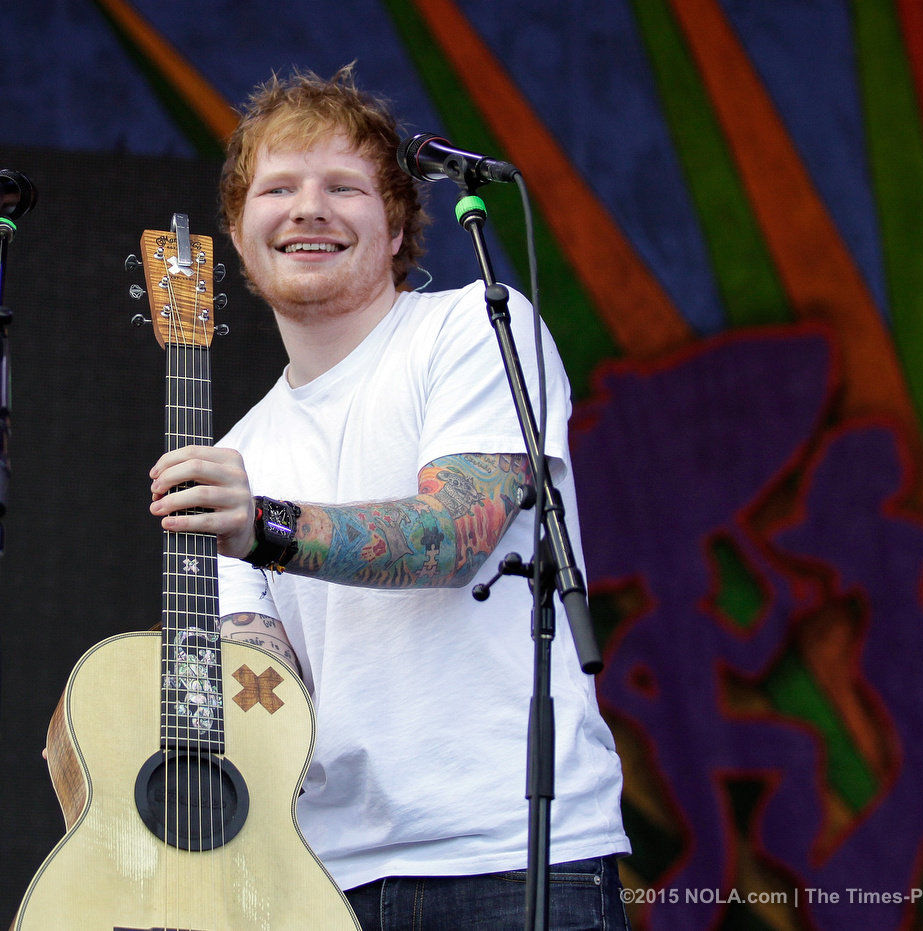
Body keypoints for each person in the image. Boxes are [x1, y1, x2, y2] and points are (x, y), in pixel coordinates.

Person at [148, 66, 631, 929]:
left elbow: (454, 535)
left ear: (400, 217)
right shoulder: (238, 453)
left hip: (504, 851)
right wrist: (182, 685)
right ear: (236, 226)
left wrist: (262, 522)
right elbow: (267, 690)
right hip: (321, 874)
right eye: (280, 187)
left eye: (344, 186)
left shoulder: (477, 328)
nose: (309, 208)